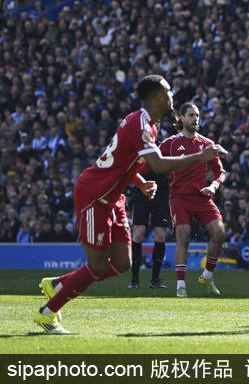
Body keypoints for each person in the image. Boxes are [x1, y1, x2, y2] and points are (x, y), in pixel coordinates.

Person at [35, 75, 227, 333]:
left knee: (123, 263)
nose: (172, 95)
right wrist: (200, 156)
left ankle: (58, 284)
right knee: (97, 265)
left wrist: (140, 182)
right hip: (94, 196)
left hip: (113, 198)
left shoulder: (147, 124)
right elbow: (158, 165)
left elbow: (123, 161)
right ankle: (48, 313)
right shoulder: (141, 124)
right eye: (169, 91)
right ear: (158, 96)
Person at [161, 102, 228, 297]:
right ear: (181, 118)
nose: (195, 119)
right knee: (184, 235)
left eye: (197, 115)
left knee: (219, 232)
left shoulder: (206, 144)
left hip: (202, 196)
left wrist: (213, 186)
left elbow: (221, 172)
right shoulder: (170, 143)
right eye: (191, 115)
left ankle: (207, 276)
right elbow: (152, 160)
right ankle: (180, 285)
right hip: (179, 197)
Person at [128, 162, 171, 290]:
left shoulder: (167, 149)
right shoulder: (142, 151)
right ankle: (134, 279)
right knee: (138, 233)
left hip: (162, 191)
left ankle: (155, 280)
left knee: (160, 235)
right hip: (142, 188)